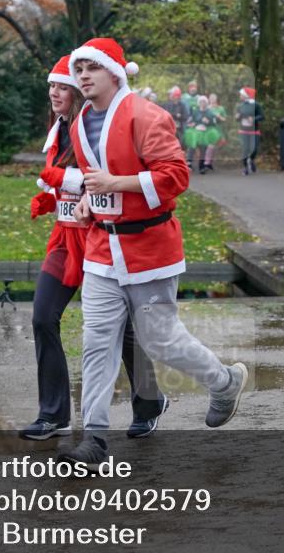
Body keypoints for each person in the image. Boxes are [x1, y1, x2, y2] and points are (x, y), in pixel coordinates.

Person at [61, 38, 248, 468]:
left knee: (160, 340)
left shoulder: (147, 115)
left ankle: (223, 383)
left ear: (114, 72)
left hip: (150, 249)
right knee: (96, 342)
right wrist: (92, 199)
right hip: (102, 250)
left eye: (92, 68)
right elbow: (95, 178)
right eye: (79, 69)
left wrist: (117, 184)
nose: (83, 76)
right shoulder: (80, 122)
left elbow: (177, 176)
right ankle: (94, 439)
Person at [22, 54, 169, 441]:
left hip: (98, 239)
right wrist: (54, 198)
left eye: (60, 86)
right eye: (50, 86)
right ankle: (53, 414)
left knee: (120, 330)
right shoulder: (59, 128)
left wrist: (68, 182)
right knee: (42, 317)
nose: (54, 92)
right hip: (64, 238)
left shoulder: (95, 126)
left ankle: (149, 401)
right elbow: (67, 181)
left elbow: (104, 178)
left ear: (77, 90)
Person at [236, 87, 263, 175]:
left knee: (254, 149)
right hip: (243, 131)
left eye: (241, 94)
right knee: (245, 149)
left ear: (245, 95)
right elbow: (238, 118)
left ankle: (251, 160)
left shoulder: (256, 105)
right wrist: (237, 117)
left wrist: (254, 119)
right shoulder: (240, 106)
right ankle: (245, 168)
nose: (240, 96)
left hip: (254, 131)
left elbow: (262, 116)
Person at [162, 86, 190, 154]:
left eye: (177, 96)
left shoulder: (182, 105)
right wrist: (175, 115)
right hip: (169, 126)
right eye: (174, 96)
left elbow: (185, 116)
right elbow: (165, 114)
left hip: (180, 127)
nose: (175, 98)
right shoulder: (168, 105)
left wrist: (179, 116)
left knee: (181, 139)